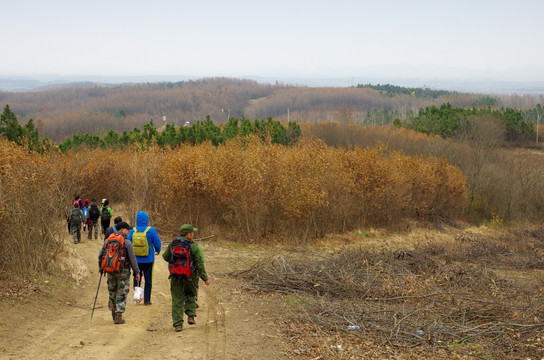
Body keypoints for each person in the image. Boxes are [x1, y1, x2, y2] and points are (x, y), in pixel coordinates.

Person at [162, 224, 209, 332]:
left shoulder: (173, 243)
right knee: (191, 294)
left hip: (175, 276)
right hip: (189, 276)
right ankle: (191, 316)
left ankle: (178, 324)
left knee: (177, 299)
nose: (193, 235)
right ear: (188, 234)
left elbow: (165, 257)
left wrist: (175, 263)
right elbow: (199, 264)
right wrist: (205, 278)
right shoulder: (193, 246)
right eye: (192, 233)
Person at [98, 221, 140, 324]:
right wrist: (137, 272)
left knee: (112, 291)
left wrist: (101, 267)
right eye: (127, 229)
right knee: (122, 292)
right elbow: (132, 259)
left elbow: (101, 254)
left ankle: (113, 312)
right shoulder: (127, 242)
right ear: (122, 229)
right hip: (123, 271)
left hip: (110, 270)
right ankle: (119, 315)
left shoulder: (108, 240)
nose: (129, 231)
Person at [128, 211, 161, 306]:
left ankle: (137, 298)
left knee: (137, 278)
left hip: (136, 260)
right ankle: (147, 300)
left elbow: (129, 243)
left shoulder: (133, 230)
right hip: (148, 259)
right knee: (148, 279)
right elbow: (157, 243)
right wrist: (157, 250)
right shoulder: (151, 230)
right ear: (146, 219)